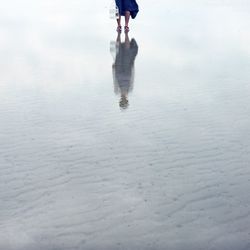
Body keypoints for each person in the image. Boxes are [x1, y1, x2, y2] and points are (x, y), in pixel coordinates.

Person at [111, 33, 139, 109]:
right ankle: (121, 33)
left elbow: (132, 78)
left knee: (122, 51)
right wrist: (113, 69)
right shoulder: (118, 91)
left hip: (124, 73)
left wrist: (132, 67)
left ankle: (124, 33)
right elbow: (115, 81)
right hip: (121, 73)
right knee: (120, 51)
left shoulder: (126, 90)